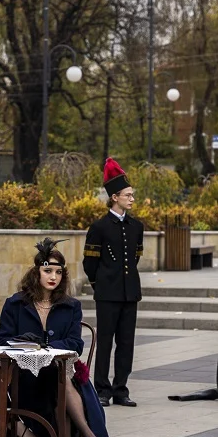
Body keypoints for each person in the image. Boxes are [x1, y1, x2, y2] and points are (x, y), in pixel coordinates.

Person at [0, 239, 114, 437]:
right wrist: (23, 342)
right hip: (25, 379)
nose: (53, 277)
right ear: (36, 271)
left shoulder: (71, 306)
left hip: (62, 374)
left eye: (59, 272)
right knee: (60, 388)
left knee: (60, 385)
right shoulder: (15, 304)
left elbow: (75, 344)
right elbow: (3, 342)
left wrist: (47, 347)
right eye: (48, 271)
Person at [83, 158, 144, 408]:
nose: (131, 199)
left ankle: (121, 388)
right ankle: (102, 389)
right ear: (114, 197)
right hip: (107, 294)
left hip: (130, 293)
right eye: (127, 195)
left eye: (132, 195)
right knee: (105, 341)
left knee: (126, 343)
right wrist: (101, 286)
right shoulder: (99, 227)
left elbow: (136, 257)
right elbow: (90, 263)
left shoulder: (136, 226)